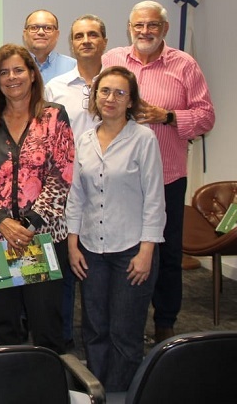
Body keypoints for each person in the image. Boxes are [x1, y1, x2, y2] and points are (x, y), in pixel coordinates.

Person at [102, 0, 215, 342]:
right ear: (129, 28)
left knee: (166, 253)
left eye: (152, 25)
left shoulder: (184, 65)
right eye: (139, 26)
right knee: (119, 249)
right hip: (120, 179)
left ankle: (165, 321)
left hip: (166, 177)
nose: (145, 32)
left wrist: (167, 116)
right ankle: (119, 317)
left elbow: (207, 117)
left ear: (164, 29)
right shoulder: (113, 61)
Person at [66, 65, 165, 392]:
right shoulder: (84, 139)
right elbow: (77, 194)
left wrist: (147, 250)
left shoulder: (143, 138)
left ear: (130, 100)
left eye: (119, 92)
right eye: (104, 91)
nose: (110, 98)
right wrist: (72, 242)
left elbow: (154, 197)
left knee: (125, 331)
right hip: (92, 249)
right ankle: (98, 392)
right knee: (95, 328)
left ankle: (122, 394)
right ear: (94, 97)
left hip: (131, 250)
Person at [0, 44, 74, 353]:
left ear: (32, 75)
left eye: (18, 70)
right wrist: (3, 222)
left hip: (40, 238)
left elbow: (63, 173)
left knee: (46, 325)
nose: (11, 77)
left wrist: (29, 224)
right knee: (3, 327)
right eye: (3, 72)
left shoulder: (54, 116)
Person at [45, 14, 108, 349]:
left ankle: (100, 338)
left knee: (99, 267)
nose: (86, 40)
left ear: (104, 42)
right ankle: (64, 339)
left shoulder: (116, 84)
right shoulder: (55, 89)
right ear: (72, 43)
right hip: (67, 188)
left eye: (93, 35)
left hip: (109, 189)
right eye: (80, 35)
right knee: (66, 266)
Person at [22, 9, 76, 83]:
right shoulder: (12, 68)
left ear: (57, 35)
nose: (41, 32)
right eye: (34, 28)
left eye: (48, 28)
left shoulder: (74, 67)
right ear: (25, 34)